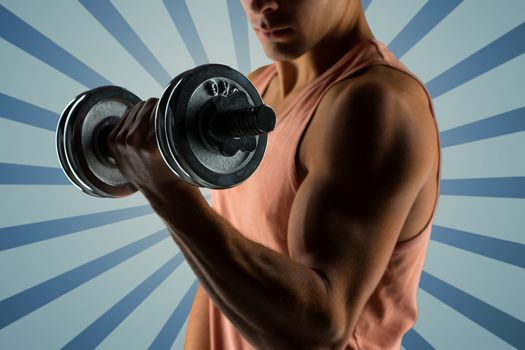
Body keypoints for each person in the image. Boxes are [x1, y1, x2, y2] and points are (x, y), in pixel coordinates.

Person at [107, 0, 441, 348]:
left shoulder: (378, 104)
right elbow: (222, 273)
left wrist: (170, 194)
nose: (258, 4)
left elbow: (319, 333)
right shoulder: (255, 89)